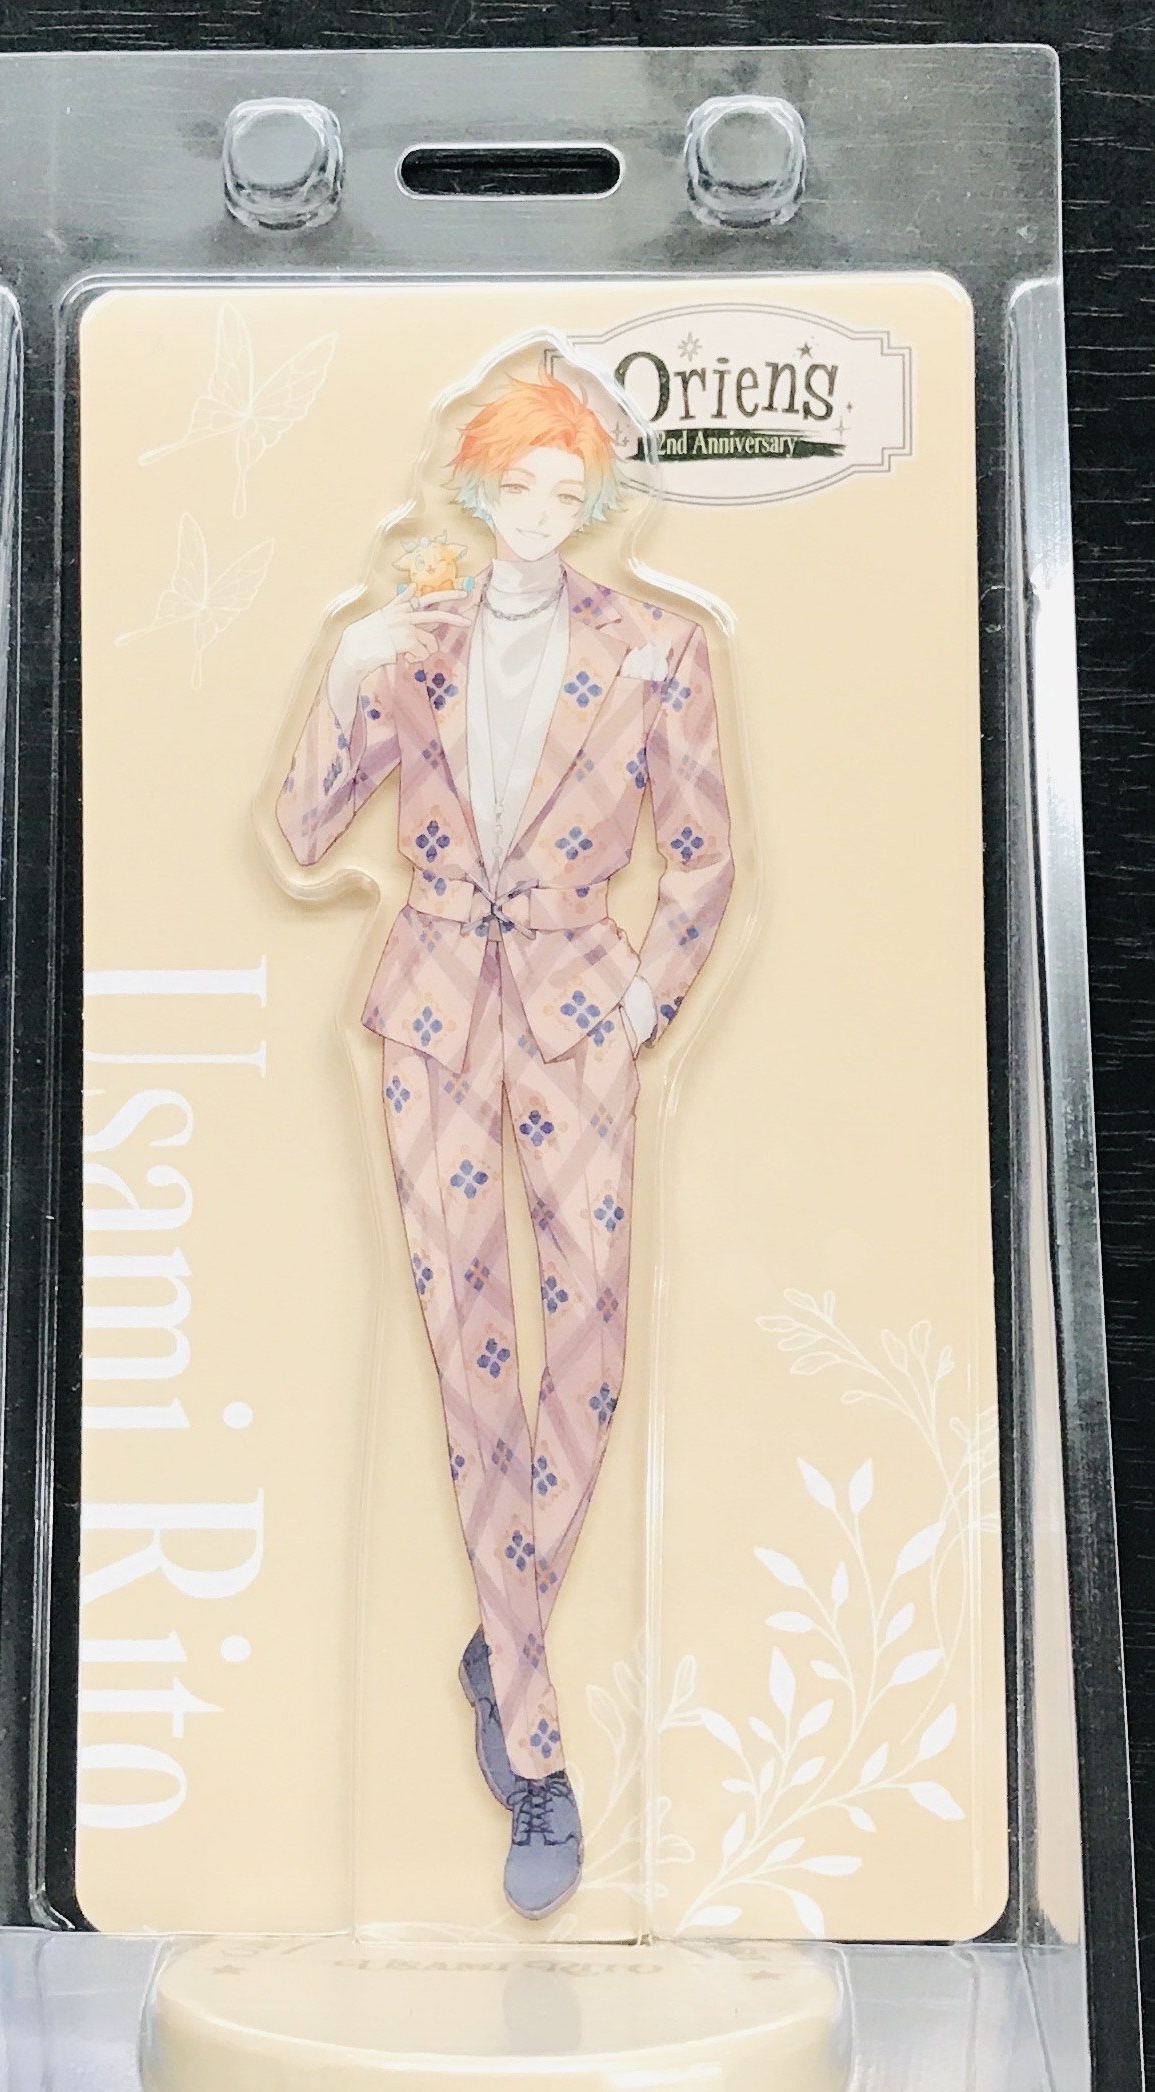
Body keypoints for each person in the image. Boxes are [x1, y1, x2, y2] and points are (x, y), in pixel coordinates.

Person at [276, 369, 734, 1917]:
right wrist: (344, 670)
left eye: (566, 489)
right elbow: (299, 832)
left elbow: (701, 857)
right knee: (468, 1359)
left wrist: (645, 999)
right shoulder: (408, 641)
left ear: (594, 500)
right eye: (517, 485)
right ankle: (537, 1749)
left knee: (588, 1339)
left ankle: (500, 1630)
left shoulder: (657, 648)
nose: (540, 512)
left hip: (580, 1014)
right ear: (474, 491)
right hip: (427, 1015)